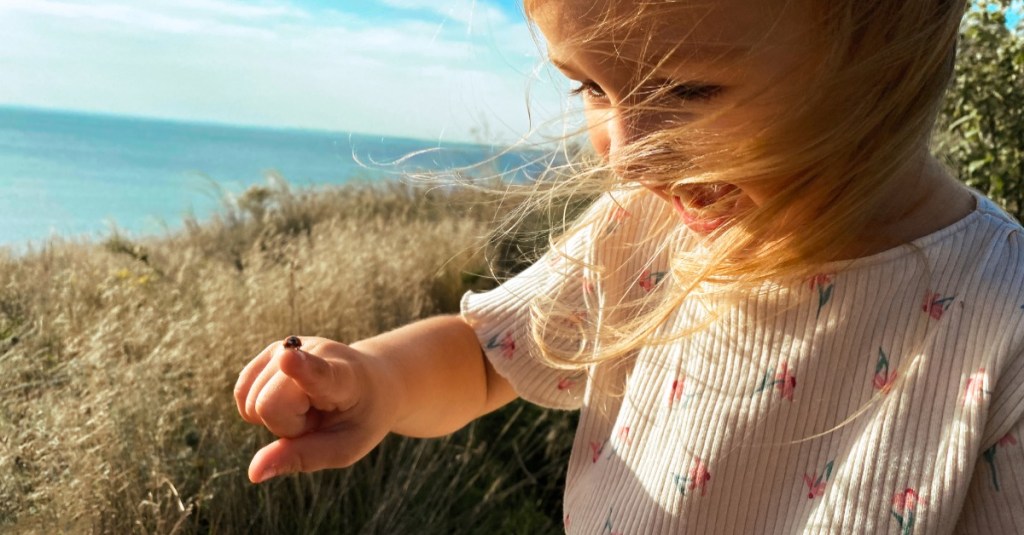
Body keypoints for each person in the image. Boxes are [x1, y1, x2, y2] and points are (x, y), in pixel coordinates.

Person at [234, 0, 1024, 532]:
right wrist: (377, 383)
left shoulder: (1000, 328)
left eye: (686, 90)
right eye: (589, 85)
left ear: (887, 52)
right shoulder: (641, 231)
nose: (627, 155)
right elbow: (485, 360)